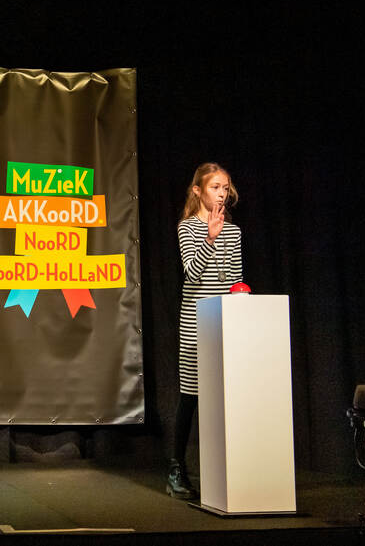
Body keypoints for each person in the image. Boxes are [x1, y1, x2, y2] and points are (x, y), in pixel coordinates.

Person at [167, 162, 242, 499]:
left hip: (225, 323)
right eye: (215, 187)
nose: (221, 194)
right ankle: (176, 468)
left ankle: (225, 468)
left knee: (225, 396)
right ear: (198, 190)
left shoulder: (234, 232)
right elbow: (192, 274)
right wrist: (210, 238)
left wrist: (241, 307)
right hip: (196, 325)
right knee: (192, 395)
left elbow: (235, 279)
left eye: (225, 188)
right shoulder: (187, 228)